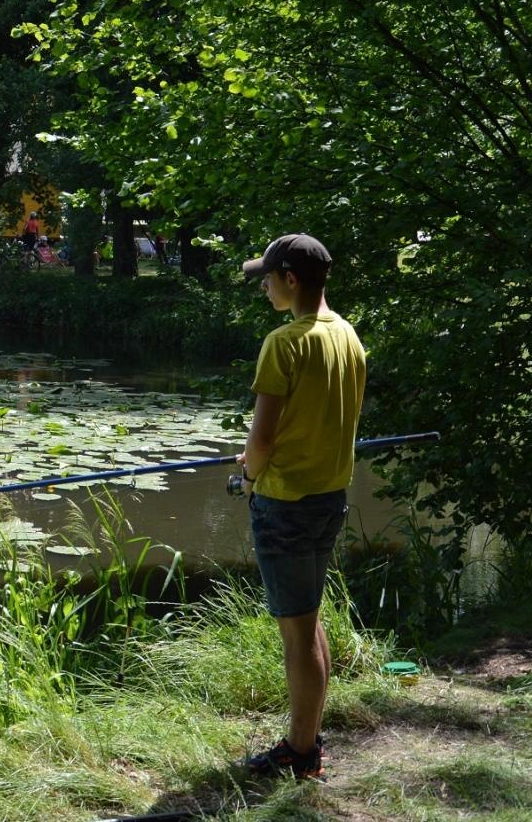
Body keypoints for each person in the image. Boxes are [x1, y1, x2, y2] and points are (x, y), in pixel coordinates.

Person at [236, 234, 366, 782]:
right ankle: (307, 740)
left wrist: (245, 475)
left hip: (286, 501)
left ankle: (300, 750)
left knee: (298, 632)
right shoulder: (348, 336)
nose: (263, 284)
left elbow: (261, 440)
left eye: (268, 276)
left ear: (292, 280)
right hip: (329, 498)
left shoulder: (284, 342)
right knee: (309, 621)